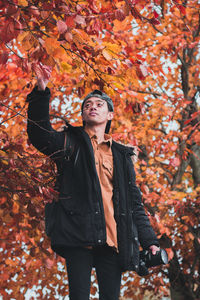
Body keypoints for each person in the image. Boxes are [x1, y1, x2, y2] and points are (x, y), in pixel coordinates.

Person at [26, 74, 160, 300]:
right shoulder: (70, 142)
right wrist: (41, 92)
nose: (92, 107)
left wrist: (150, 242)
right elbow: (39, 135)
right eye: (87, 105)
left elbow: (134, 204)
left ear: (110, 115)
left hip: (113, 240)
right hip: (78, 235)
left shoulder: (122, 155)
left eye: (99, 104)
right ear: (83, 115)